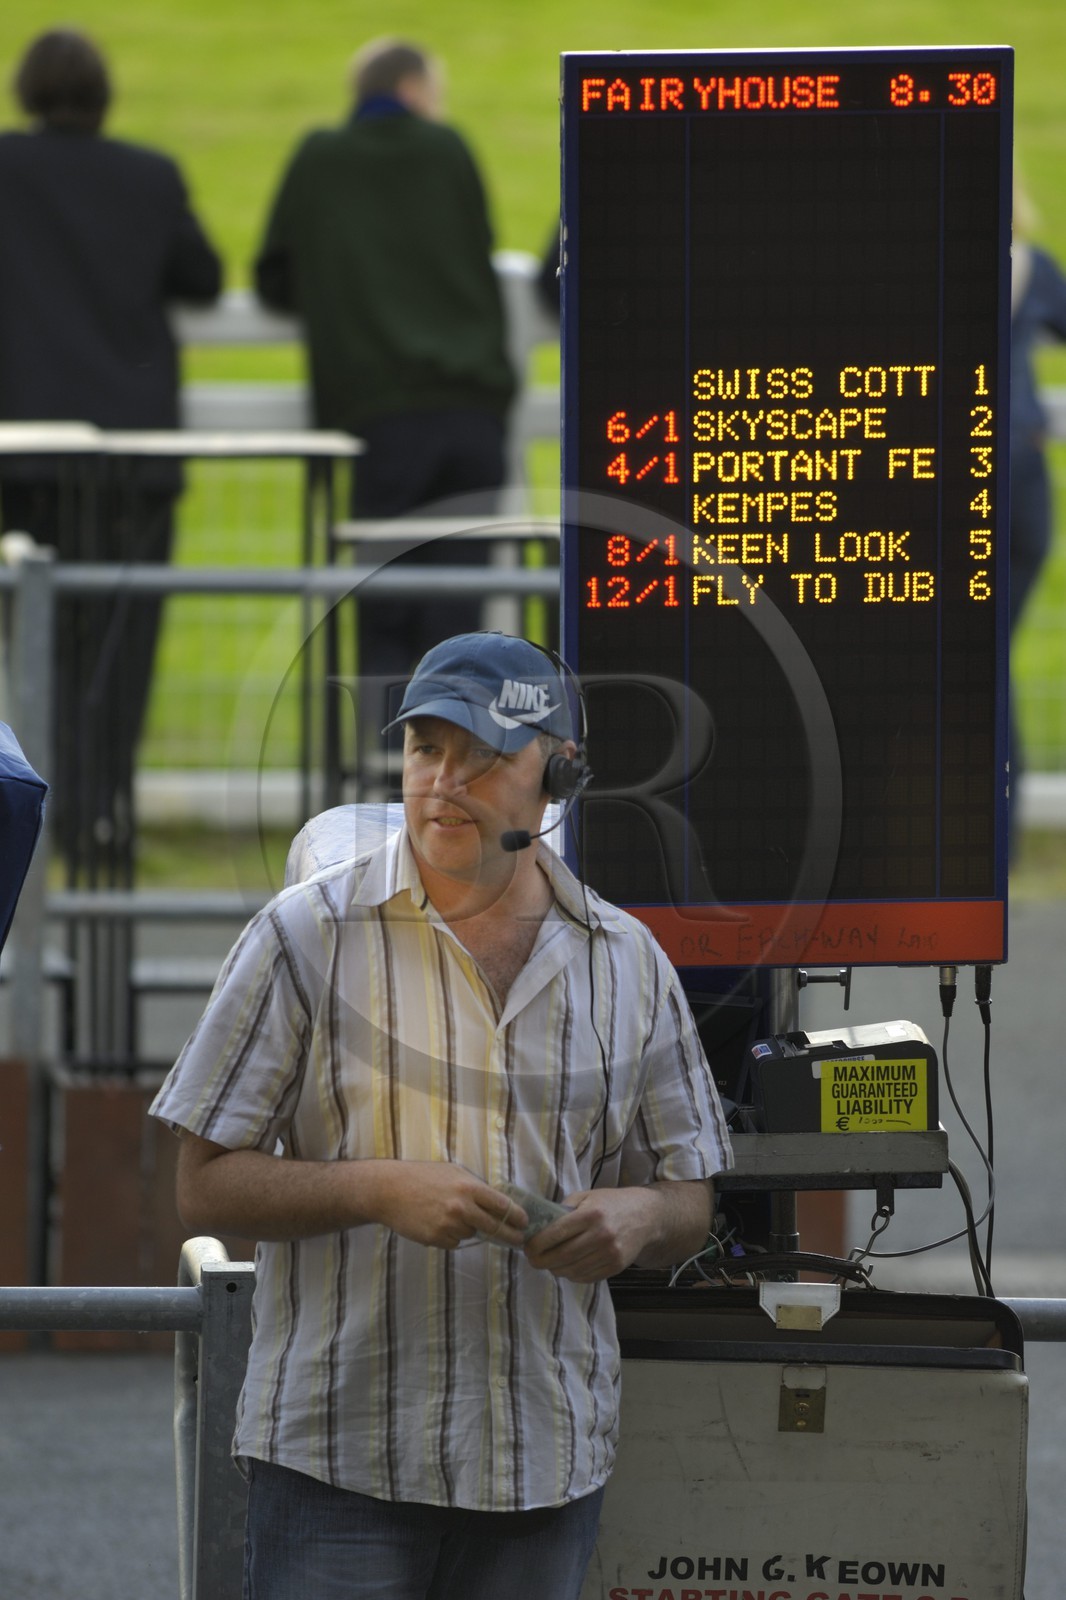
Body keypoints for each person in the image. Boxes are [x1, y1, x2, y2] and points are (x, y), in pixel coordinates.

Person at [151, 630, 732, 1600]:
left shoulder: (626, 962)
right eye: (426, 748)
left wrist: (633, 1221)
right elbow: (200, 1182)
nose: (442, 781)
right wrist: (379, 1188)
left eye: (481, 756)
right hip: (338, 1457)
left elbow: (690, 1198)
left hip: (542, 1464)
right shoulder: (304, 935)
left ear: (559, 777)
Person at [253, 39, 517, 764]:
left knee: (385, 608)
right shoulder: (448, 149)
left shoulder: (320, 158)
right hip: (471, 410)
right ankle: (465, 785)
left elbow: (274, 275)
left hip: (379, 414)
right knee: (460, 619)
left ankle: (385, 792)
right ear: (411, 87)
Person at [0, 28, 222, 877]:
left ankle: (44, 818)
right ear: (104, 95)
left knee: (41, 639)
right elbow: (200, 276)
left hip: (26, 455)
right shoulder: (150, 174)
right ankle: (103, 823)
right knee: (121, 650)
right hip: (134, 455)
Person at [1008, 195, 1066, 849]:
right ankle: (999, 831)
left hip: (957, 488)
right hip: (1024, 479)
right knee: (993, 660)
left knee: (972, 661)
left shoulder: (939, 264)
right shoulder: (1034, 267)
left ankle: (986, 832)